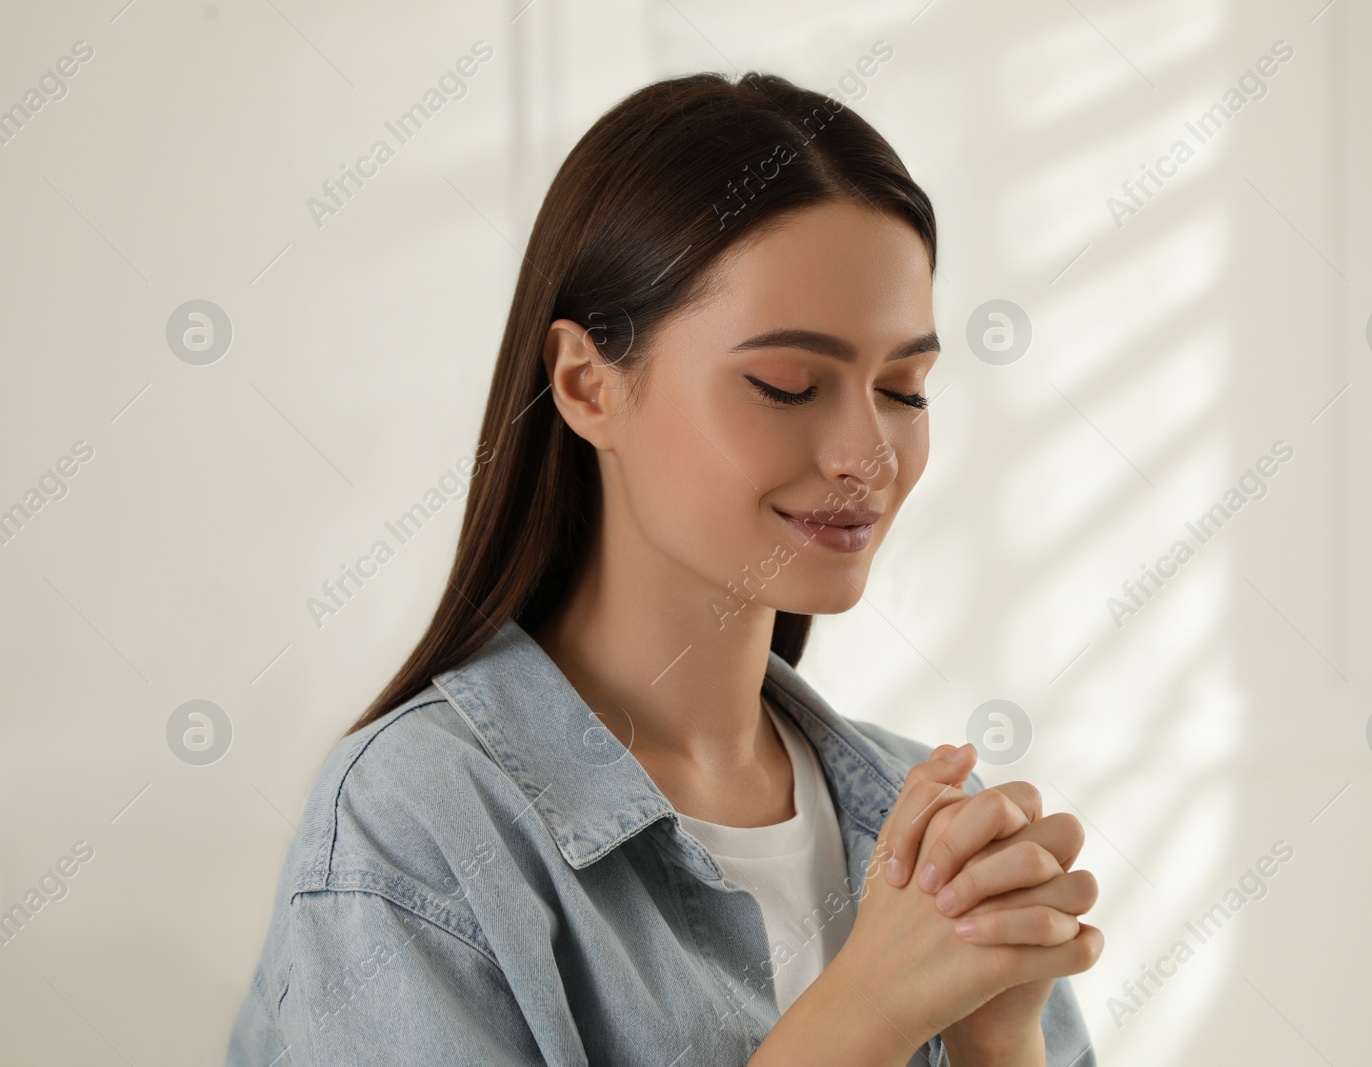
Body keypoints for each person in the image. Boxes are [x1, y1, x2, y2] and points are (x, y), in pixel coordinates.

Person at [226, 70, 1101, 1066]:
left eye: (903, 388)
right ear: (587, 384)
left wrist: (1000, 1038)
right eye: (787, 383)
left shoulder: (923, 818)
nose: (869, 452)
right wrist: (865, 1015)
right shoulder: (414, 825)